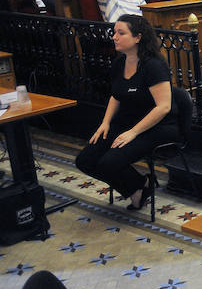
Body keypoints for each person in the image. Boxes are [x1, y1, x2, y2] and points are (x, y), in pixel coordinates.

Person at [75, 14, 178, 211]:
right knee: (85, 161)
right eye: (114, 32)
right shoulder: (119, 63)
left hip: (158, 126)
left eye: (121, 33)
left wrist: (133, 132)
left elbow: (163, 107)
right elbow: (116, 95)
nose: (114, 37)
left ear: (138, 37)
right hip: (127, 122)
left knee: (108, 163)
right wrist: (105, 123)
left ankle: (138, 189)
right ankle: (139, 186)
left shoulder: (153, 65)